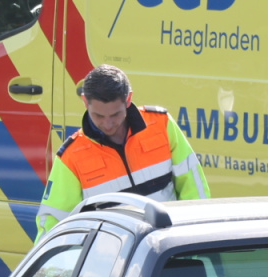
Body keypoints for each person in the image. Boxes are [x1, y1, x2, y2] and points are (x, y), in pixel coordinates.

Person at [36, 65, 208, 238]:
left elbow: (194, 190)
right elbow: (53, 224)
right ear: (85, 102)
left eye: (115, 115)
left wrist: (197, 238)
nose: (108, 124)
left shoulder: (161, 125)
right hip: (111, 260)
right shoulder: (71, 157)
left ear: (129, 99)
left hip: (167, 248)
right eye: (99, 116)